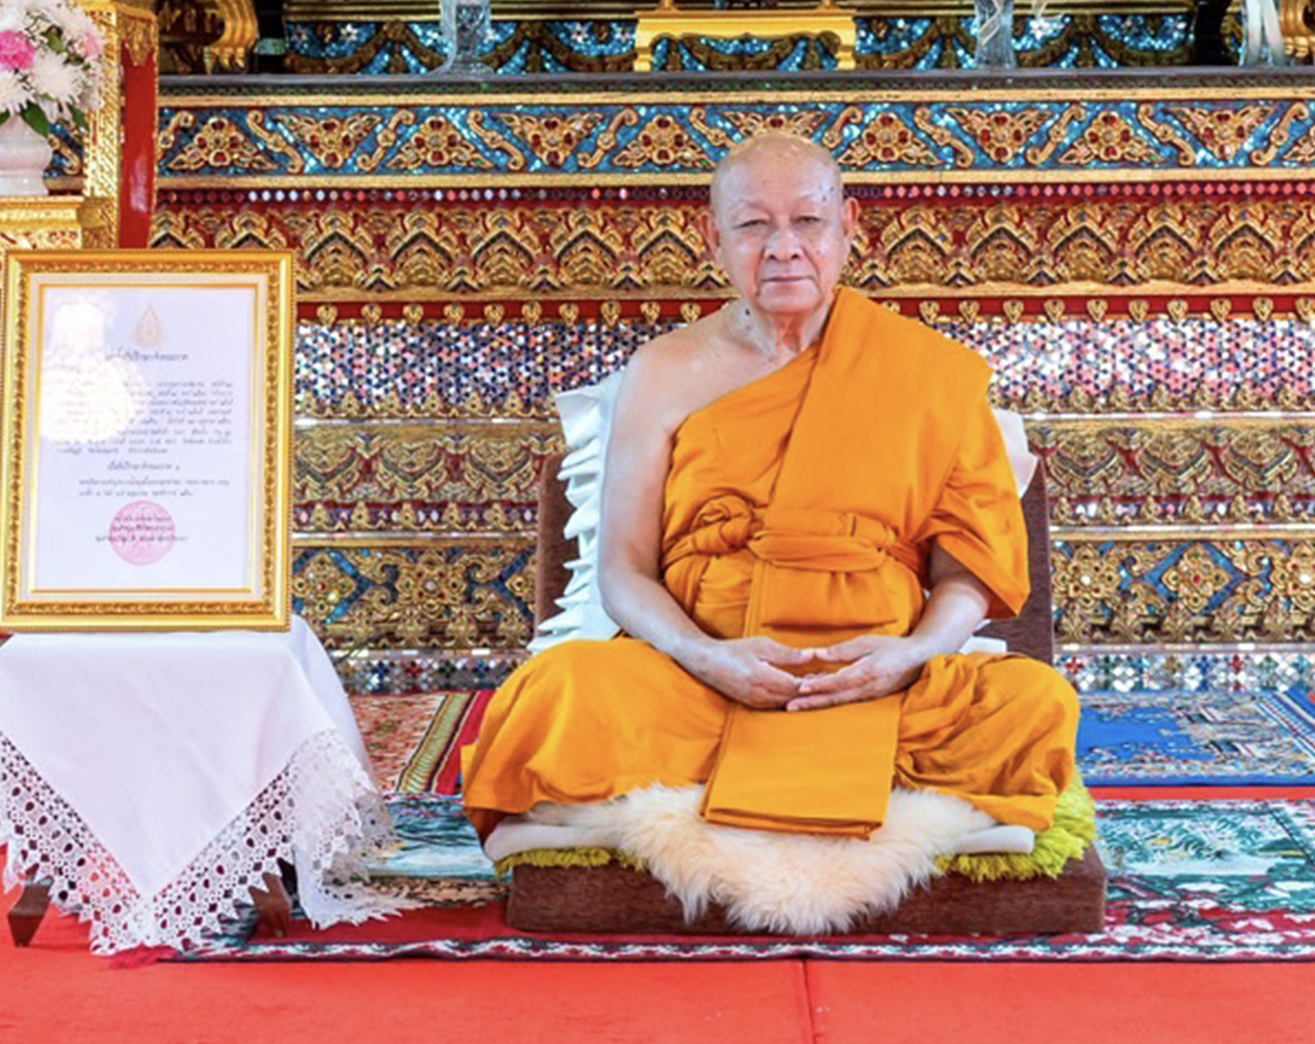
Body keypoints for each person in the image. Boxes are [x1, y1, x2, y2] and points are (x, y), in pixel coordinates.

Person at [462, 133, 1078, 847]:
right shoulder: (664, 371)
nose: (784, 248)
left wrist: (910, 657)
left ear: (847, 227)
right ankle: (870, 791)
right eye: (754, 225)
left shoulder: (928, 371)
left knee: (1034, 704)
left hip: (877, 675)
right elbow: (624, 571)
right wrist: (705, 656)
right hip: (701, 681)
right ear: (714, 240)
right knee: (554, 695)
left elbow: (966, 572)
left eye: (807, 221)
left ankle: (771, 777)